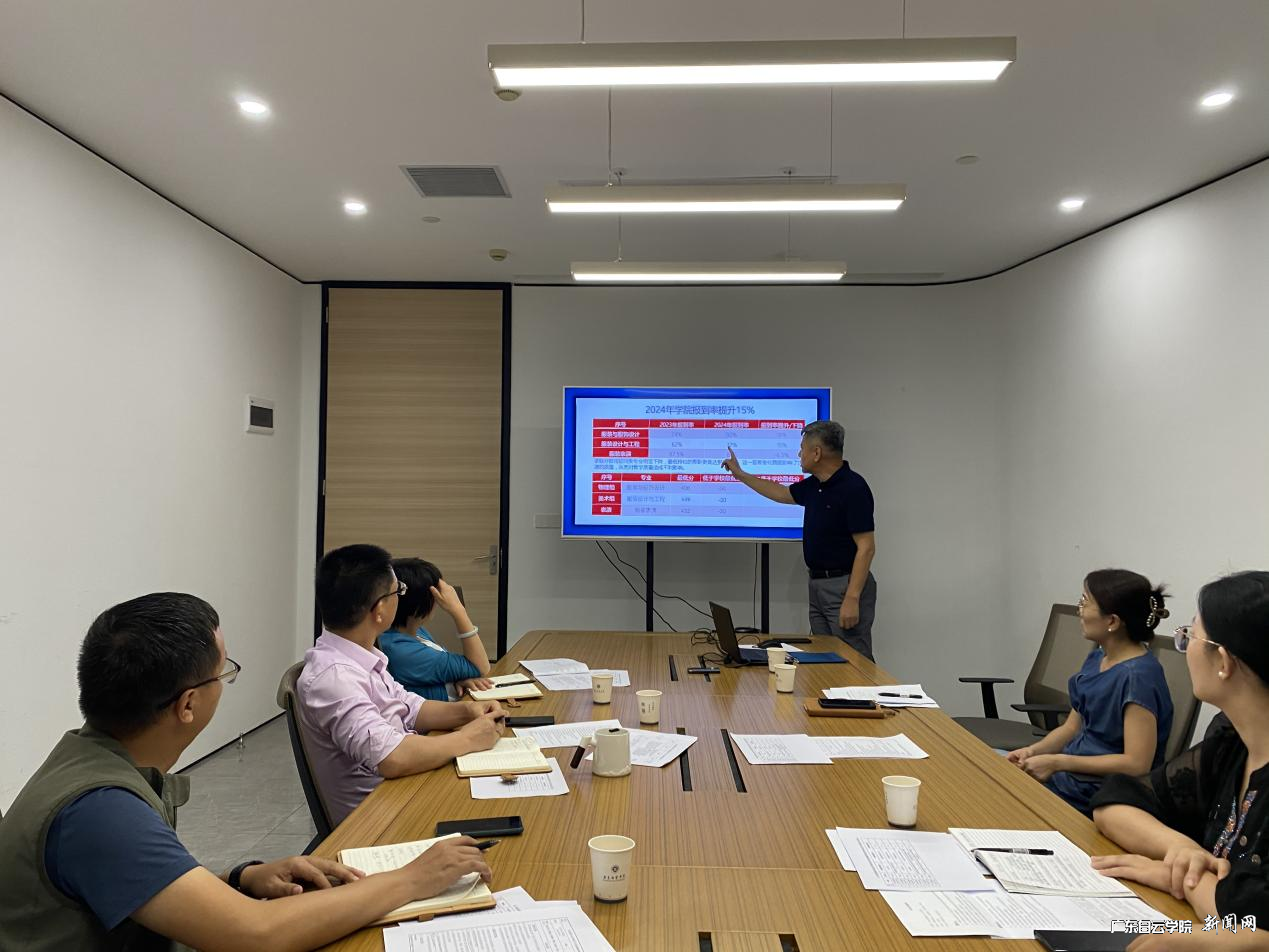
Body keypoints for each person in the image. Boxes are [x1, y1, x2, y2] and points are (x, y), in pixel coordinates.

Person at [0, 592, 493, 952]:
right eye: (223, 672)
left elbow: (138, 885)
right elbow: (256, 935)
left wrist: (241, 878)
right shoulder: (101, 810)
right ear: (188, 704)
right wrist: (412, 880)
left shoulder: (93, 758)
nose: (225, 683)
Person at [1090, 571, 1269, 929]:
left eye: (1189, 637)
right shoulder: (1231, 738)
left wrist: (1183, 880)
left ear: (1223, 662)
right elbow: (1115, 801)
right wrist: (1180, 850)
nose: (1184, 648)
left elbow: (1253, 917)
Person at [299, 544, 504, 825]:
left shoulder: (362, 654)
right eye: (399, 591)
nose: (401, 598)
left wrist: (467, 712)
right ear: (380, 610)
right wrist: (469, 738)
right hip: (381, 820)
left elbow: (410, 707)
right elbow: (391, 757)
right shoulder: (334, 678)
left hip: (404, 792)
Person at [1005, 569, 1174, 815]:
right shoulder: (1098, 658)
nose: (1080, 611)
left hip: (1095, 797)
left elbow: (1136, 764)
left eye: (1085, 602)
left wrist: (1057, 762)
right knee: (988, 770)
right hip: (1067, 781)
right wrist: (1033, 751)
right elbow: (1071, 728)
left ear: (1112, 621)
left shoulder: (1138, 678)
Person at [723, 419, 878, 659]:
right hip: (817, 584)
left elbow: (866, 548)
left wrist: (852, 597)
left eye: (802, 448)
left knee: (854, 660)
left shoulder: (853, 488)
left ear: (817, 453)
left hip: (844, 586)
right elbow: (781, 493)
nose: (799, 454)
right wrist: (741, 475)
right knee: (825, 657)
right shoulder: (816, 485)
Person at [379, 557, 493, 701]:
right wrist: (458, 610)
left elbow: (433, 676)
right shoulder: (400, 649)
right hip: (444, 713)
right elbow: (480, 667)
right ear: (420, 603)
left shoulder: (413, 630)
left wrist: (457, 680)